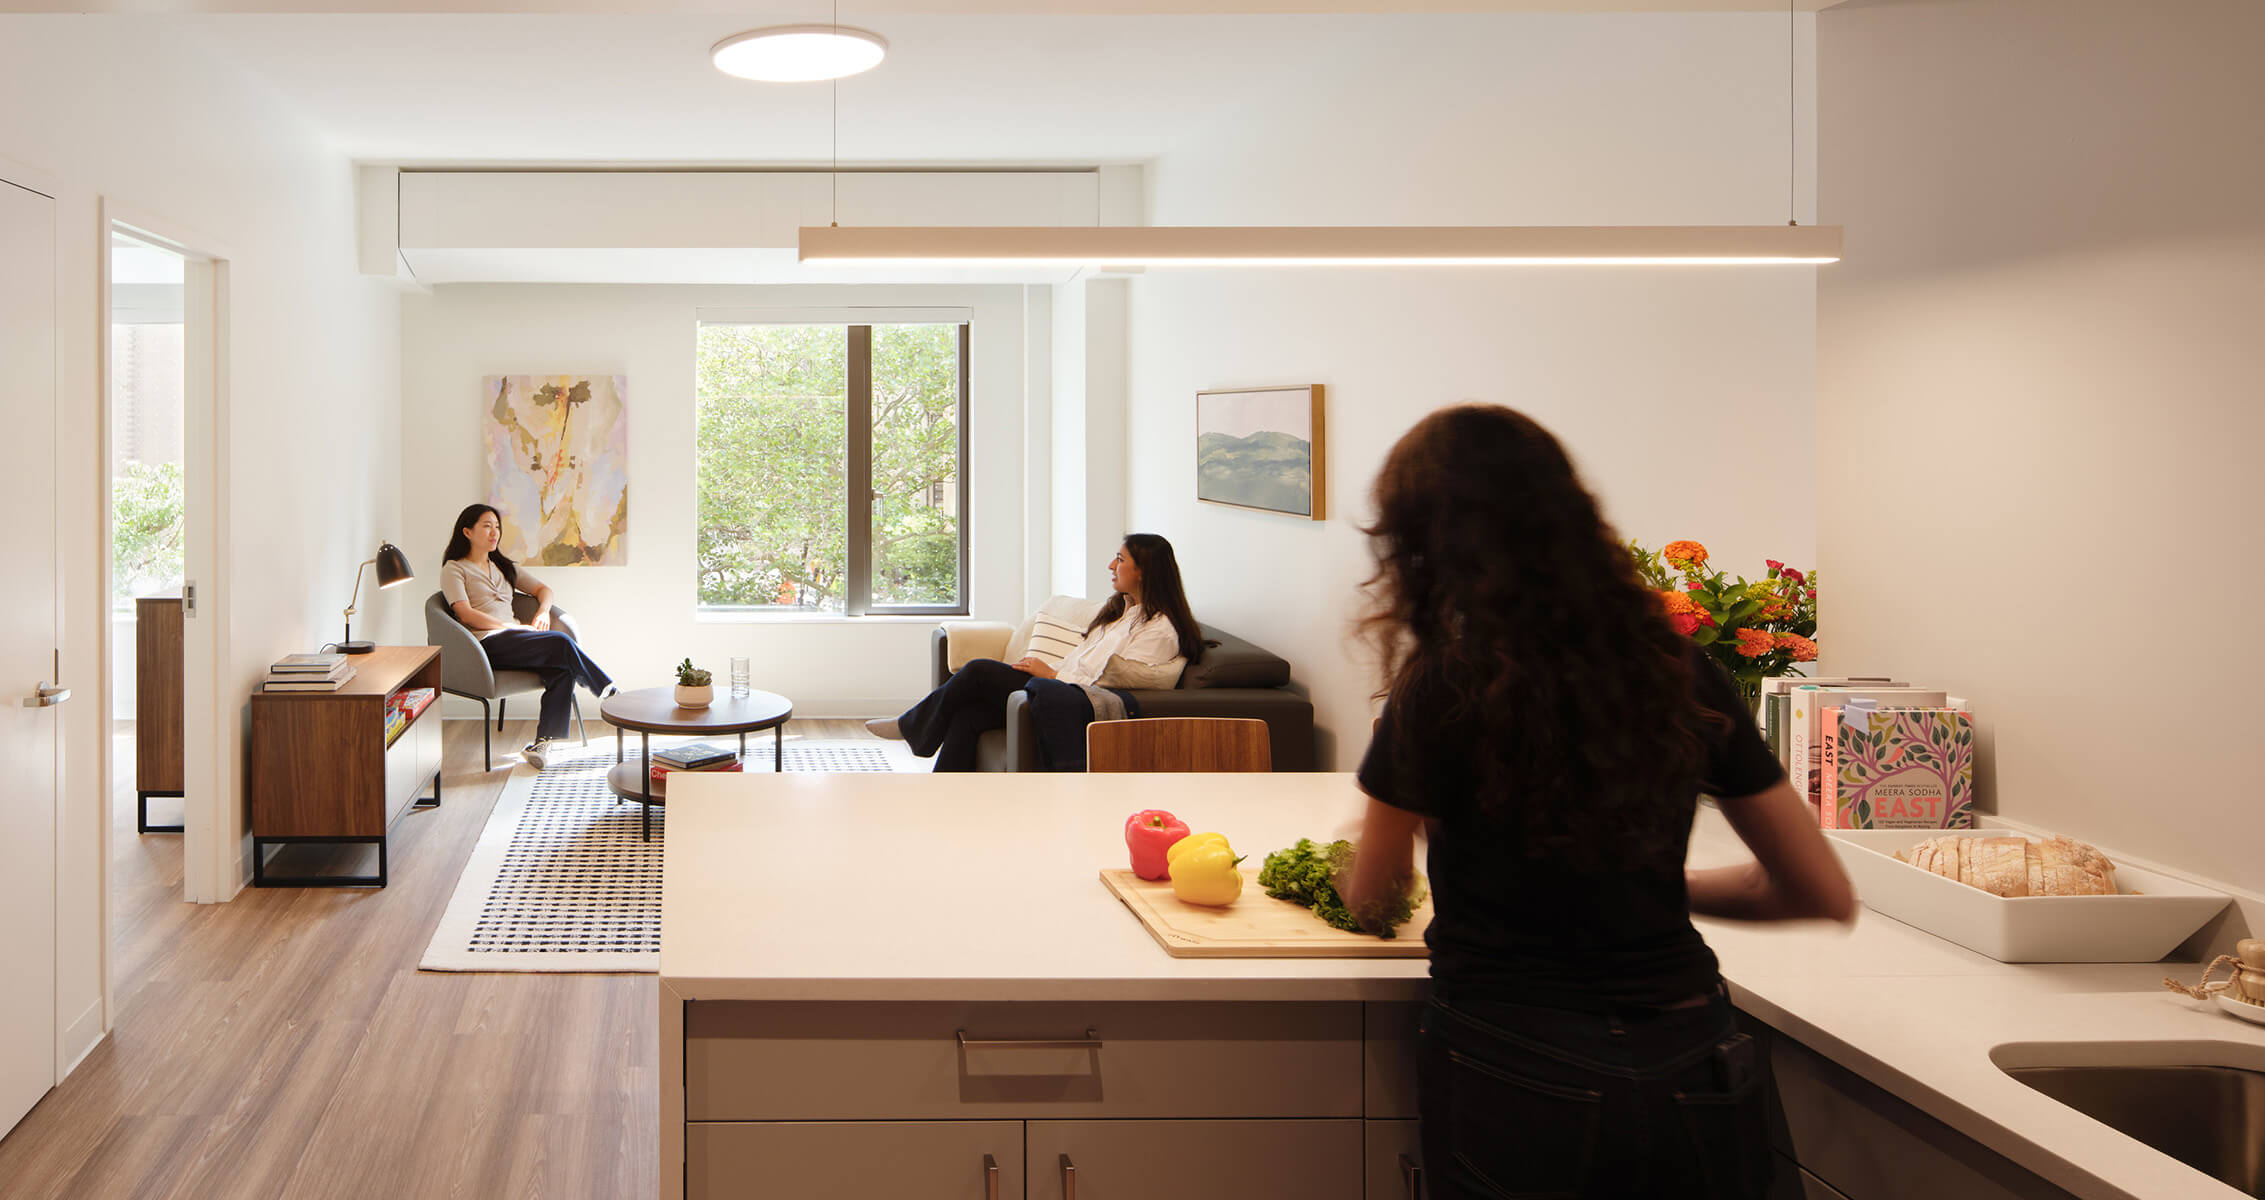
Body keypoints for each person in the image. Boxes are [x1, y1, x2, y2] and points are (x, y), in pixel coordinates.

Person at [1338, 406, 1855, 1199]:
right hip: (1692, 1050)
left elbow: (1374, 899)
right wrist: (1645, 889)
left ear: (1421, 541)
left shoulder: (1441, 684)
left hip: (1510, 1055)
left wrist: (1373, 839)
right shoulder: (1677, 668)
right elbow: (1818, 890)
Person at [867, 533, 1204, 771]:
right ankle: (941, 799)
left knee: (978, 671)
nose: (1111, 564)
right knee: (968, 715)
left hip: (1076, 700)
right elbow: (1083, 662)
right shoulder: (1119, 612)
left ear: (1143, 570)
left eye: (1120, 558)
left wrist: (1054, 675)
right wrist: (1043, 667)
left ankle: (910, 726)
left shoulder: (1159, 629)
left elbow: (1120, 685)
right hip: (1059, 683)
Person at [440, 503, 619, 769]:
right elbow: (464, 614)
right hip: (486, 645)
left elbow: (543, 589)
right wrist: (511, 627)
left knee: (562, 669)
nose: (494, 533)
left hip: (514, 642)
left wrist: (544, 612)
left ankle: (541, 744)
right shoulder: (455, 569)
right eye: (487, 526)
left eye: (497, 527)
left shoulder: (502, 566)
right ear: (467, 531)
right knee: (560, 642)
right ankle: (609, 692)